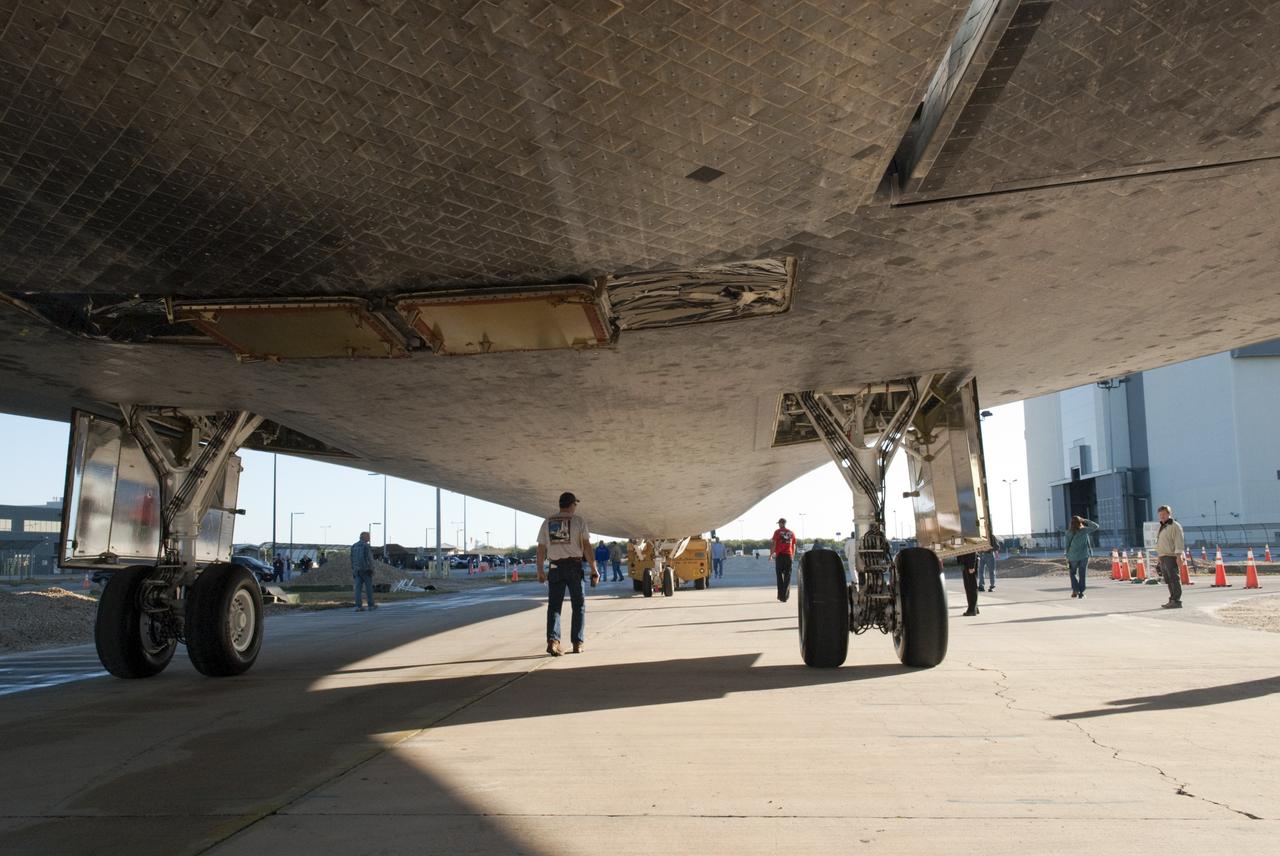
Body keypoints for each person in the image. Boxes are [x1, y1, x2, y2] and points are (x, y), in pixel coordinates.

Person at [536, 492, 599, 655]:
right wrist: (594, 569)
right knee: (578, 606)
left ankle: (553, 641)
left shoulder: (547, 522)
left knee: (554, 607)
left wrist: (540, 571)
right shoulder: (578, 521)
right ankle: (577, 643)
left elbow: (541, 548)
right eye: (575, 504)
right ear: (571, 505)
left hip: (555, 568)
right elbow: (586, 546)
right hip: (574, 567)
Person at [1155, 505, 1185, 608]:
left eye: (1164, 514)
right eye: (1160, 515)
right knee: (1168, 579)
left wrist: (1179, 556)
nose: (1162, 516)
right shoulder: (1162, 526)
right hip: (1163, 556)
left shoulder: (1175, 526)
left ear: (1169, 514)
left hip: (1171, 556)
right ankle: (1172, 599)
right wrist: (1159, 557)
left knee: (1174, 578)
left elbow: (1179, 541)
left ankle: (1176, 600)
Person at [1064, 516, 1099, 598]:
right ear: (1080, 522)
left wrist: (1067, 556)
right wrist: (1085, 520)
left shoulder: (1068, 532)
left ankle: (1075, 590)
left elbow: (1067, 546)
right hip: (1084, 556)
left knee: (1072, 573)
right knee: (1082, 574)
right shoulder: (1084, 530)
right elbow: (1096, 526)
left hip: (1072, 557)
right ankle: (1081, 593)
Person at [769, 517, 797, 602]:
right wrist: (793, 556)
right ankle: (785, 597)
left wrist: (771, 554)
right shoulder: (791, 533)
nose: (779, 525)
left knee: (779, 576)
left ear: (781, 523)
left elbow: (774, 544)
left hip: (780, 556)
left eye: (779, 523)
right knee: (787, 577)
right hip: (788, 556)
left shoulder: (777, 532)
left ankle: (780, 596)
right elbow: (794, 546)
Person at [351, 531, 376, 612]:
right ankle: (371, 605)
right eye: (368, 536)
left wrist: (353, 570)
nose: (369, 538)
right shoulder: (366, 546)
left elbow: (351, 559)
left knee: (358, 589)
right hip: (366, 570)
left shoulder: (354, 546)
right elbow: (369, 558)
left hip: (357, 570)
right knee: (368, 588)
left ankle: (358, 606)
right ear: (364, 537)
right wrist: (371, 568)